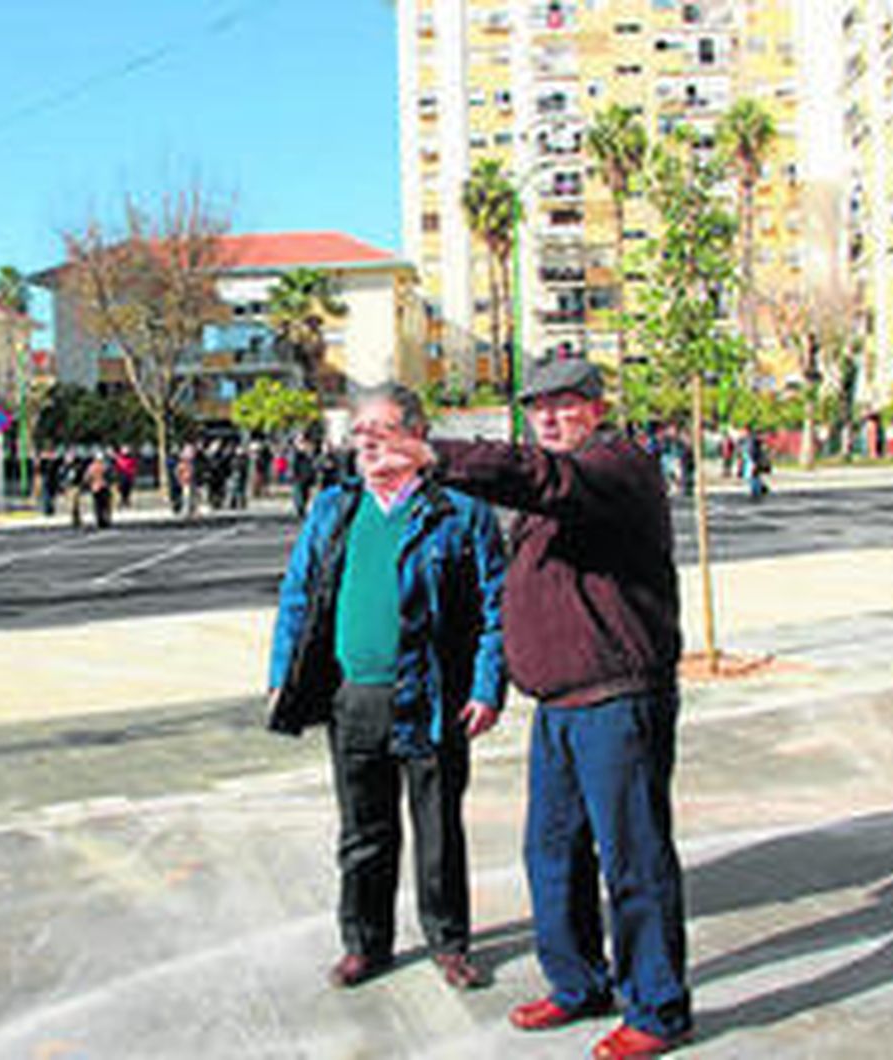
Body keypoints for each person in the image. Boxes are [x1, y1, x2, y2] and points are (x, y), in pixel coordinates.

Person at [391, 357, 691, 1059]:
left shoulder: (618, 467)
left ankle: (657, 1007)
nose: (550, 418)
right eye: (537, 407)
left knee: (634, 859)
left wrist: (438, 455)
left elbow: (546, 479)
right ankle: (578, 981)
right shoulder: (549, 496)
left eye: (564, 405)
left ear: (595, 408)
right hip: (558, 705)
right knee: (551, 852)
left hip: (617, 699)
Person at [268, 383, 507, 995]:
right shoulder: (333, 508)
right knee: (363, 833)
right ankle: (364, 944)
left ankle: (449, 944)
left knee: (437, 830)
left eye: (381, 428)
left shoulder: (460, 510)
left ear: (418, 436)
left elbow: (493, 609)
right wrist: (282, 677)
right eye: (359, 431)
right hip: (354, 699)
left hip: (432, 698)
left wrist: (486, 686)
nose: (367, 441)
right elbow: (298, 598)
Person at [741, 428, 770, 501]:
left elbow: (755, 451)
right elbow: (751, 451)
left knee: (754, 477)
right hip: (753, 461)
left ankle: (757, 491)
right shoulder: (753, 440)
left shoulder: (753, 440)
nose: (763, 437)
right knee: (753, 477)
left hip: (754, 461)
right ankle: (757, 491)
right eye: (761, 435)